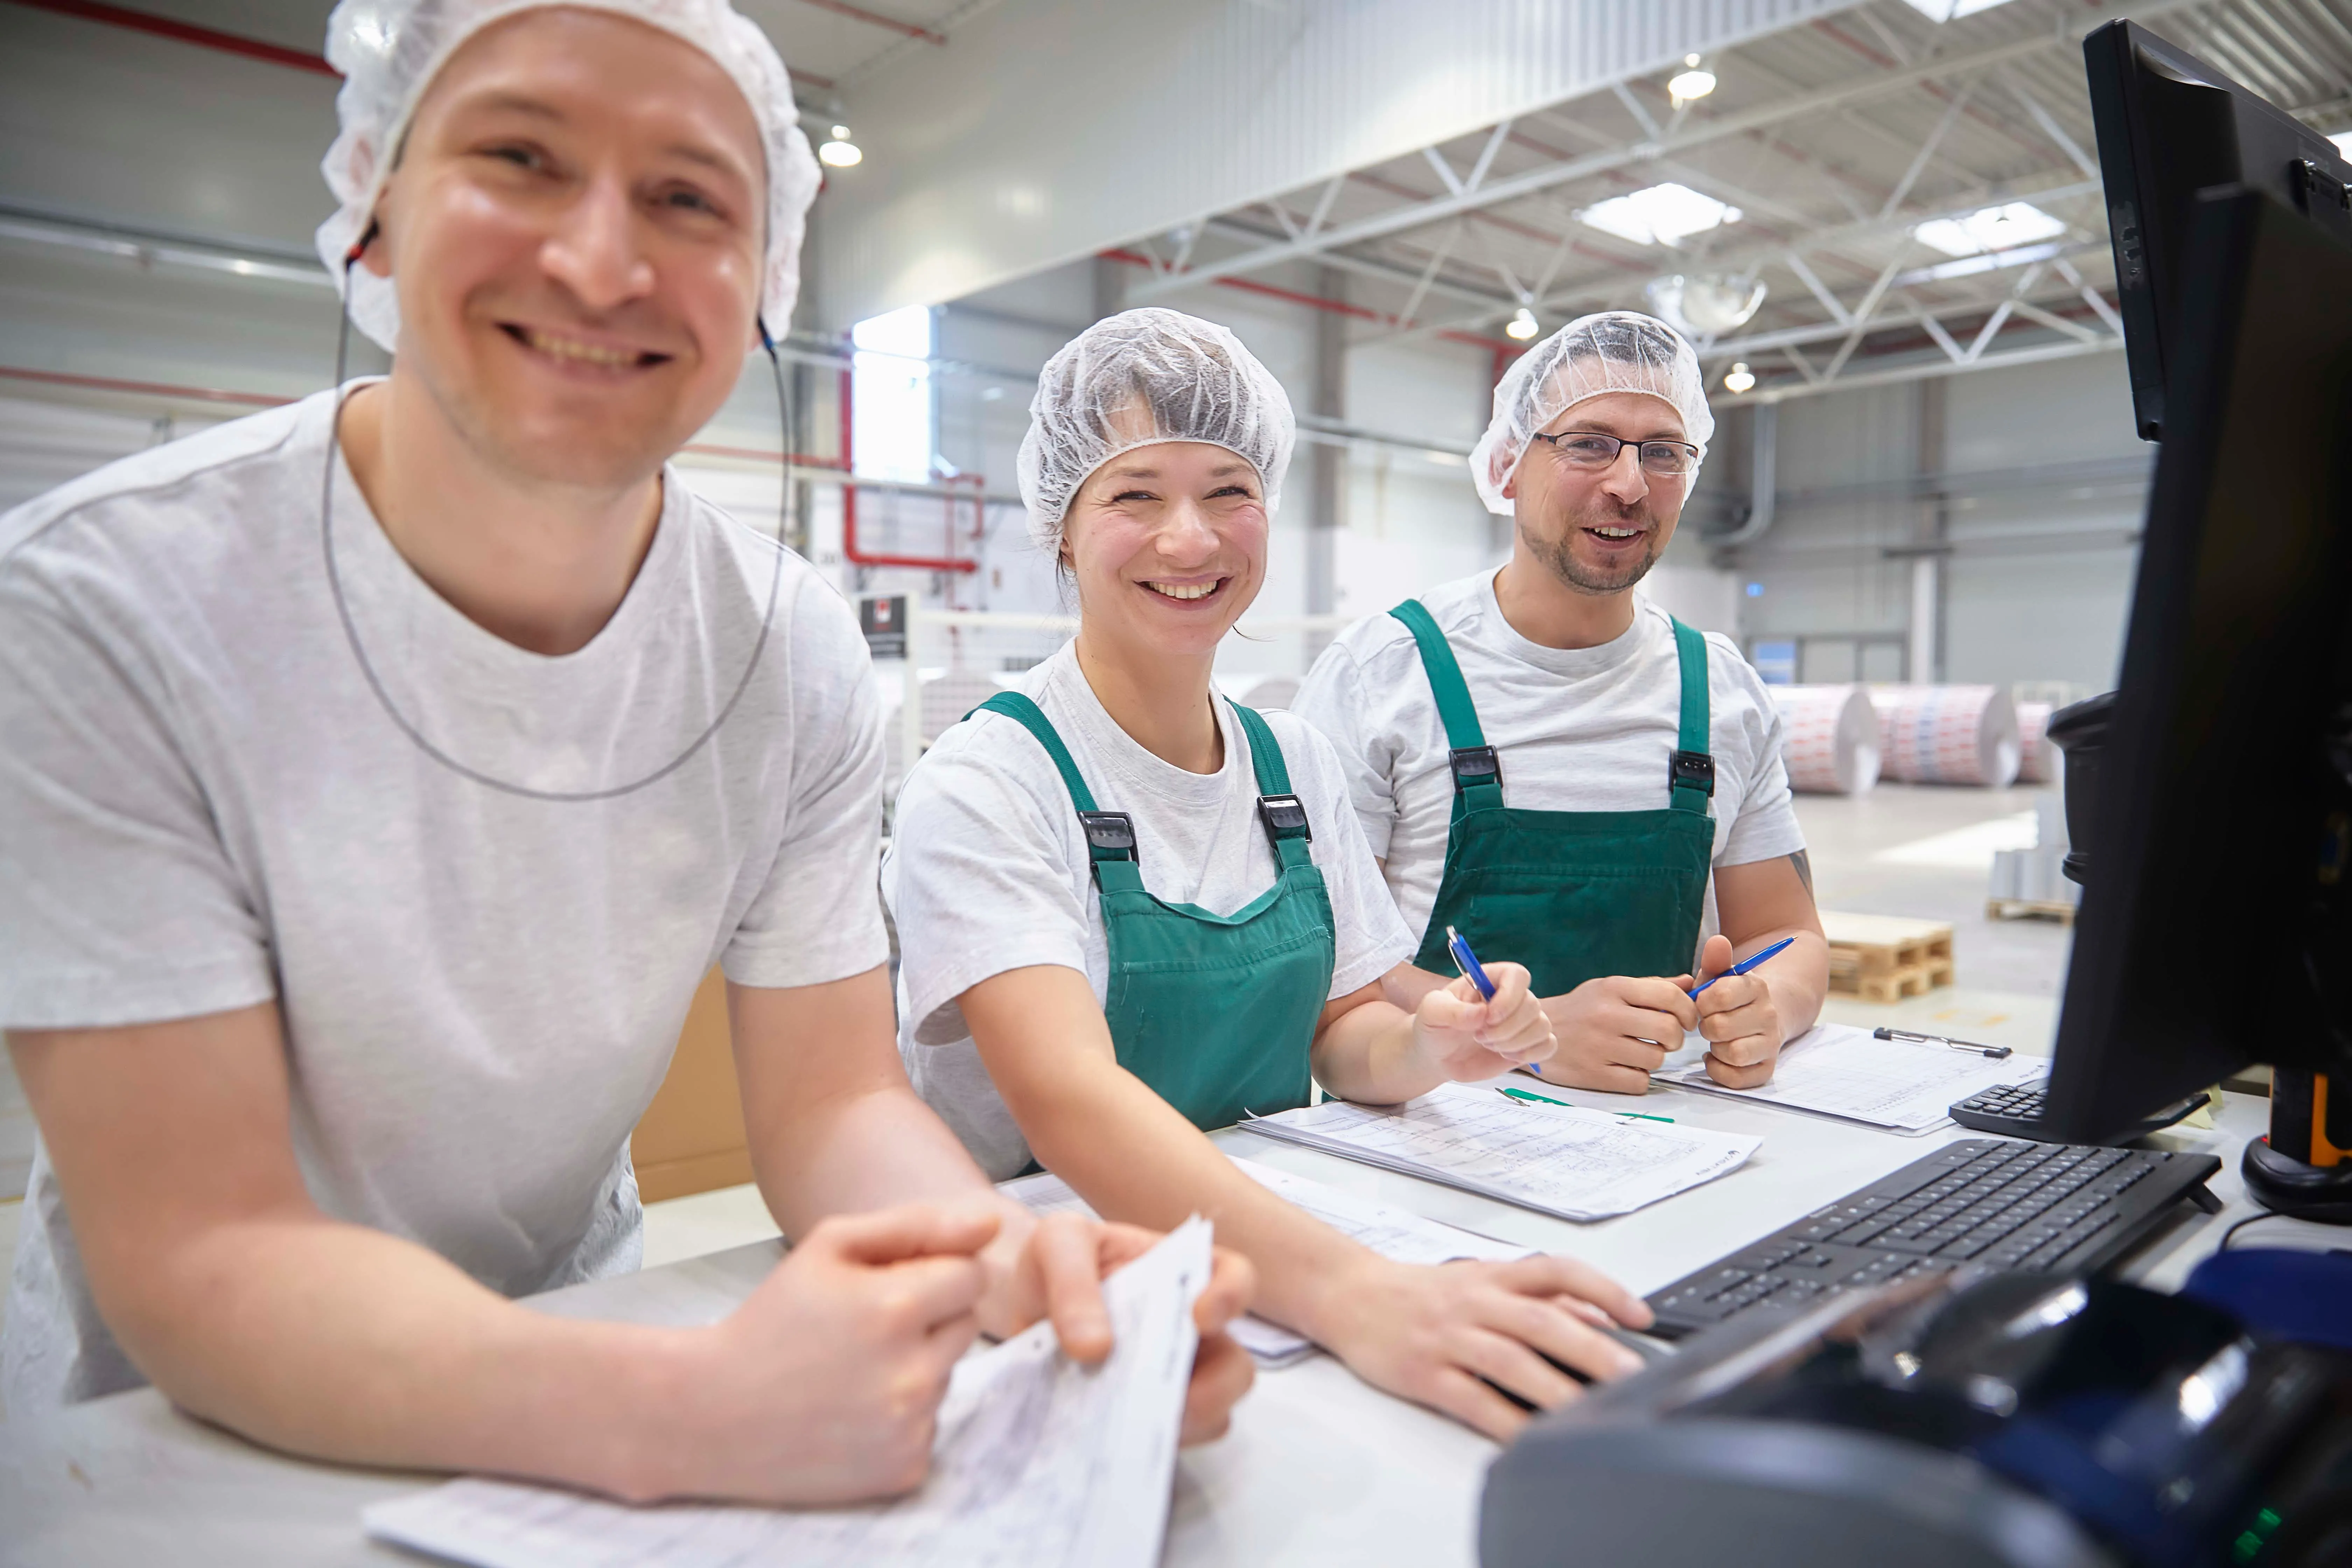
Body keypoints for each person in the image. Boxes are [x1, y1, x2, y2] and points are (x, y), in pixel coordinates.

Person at [0, 0, 1252, 1503]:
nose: (602, 262)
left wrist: (1000, 1262)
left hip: (578, 1331)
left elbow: (834, 1105)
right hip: (183, 1443)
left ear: (765, 279)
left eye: (686, 197)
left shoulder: (782, 648)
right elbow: (207, 1247)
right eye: (520, 156)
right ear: (375, 208)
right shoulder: (108, 603)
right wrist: (693, 1403)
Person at [885, 308, 1655, 1442]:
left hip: (1253, 1258)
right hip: (1042, 1289)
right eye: (1135, 495)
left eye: (1229, 492)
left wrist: (1435, 1046)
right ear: (1061, 526)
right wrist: (1357, 1292)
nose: (1190, 541)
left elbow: (1343, 1031)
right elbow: (1070, 1103)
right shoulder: (989, 779)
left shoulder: (1289, 760)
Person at [1293, 312, 1828, 1097]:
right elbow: (1334, 967)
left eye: (1663, 452)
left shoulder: (1719, 688)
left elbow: (1788, 933)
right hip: (1438, 1153)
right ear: (1509, 465)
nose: (1630, 484)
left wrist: (1768, 1006)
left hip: (1676, 1141)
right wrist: (1528, 1033)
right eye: (1588, 442)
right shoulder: (1383, 673)